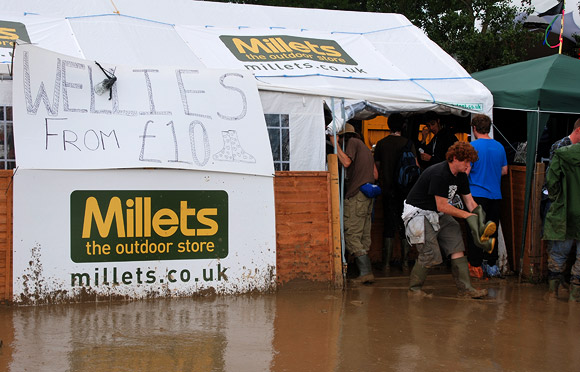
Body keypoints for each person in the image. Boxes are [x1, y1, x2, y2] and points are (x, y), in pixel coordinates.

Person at [402, 141, 494, 299]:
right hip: (419, 213)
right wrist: (467, 216)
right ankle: (414, 289)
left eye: (470, 161)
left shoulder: (461, 176)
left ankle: (466, 289)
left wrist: (481, 219)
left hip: (438, 213)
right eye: (465, 161)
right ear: (455, 158)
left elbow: (470, 203)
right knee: (430, 253)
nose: (468, 165)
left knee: (456, 242)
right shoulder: (440, 173)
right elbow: (442, 205)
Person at [331, 123, 378, 284]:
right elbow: (375, 174)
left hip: (356, 195)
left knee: (350, 234)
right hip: (367, 195)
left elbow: (346, 162)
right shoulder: (365, 147)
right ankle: (365, 271)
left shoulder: (351, 143)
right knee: (363, 235)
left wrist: (335, 144)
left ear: (343, 136)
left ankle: (365, 272)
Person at [466, 114, 508, 279]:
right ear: (489, 128)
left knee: (475, 231)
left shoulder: (472, 147)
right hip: (495, 195)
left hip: (476, 195)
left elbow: (467, 170)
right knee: (492, 231)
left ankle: (475, 266)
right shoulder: (499, 147)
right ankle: (491, 265)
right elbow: (504, 171)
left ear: (474, 129)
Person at [543, 118, 580, 301]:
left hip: (564, 209)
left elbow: (551, 181)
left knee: (558, 251)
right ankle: (575, 296)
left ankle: (552, 293)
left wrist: (559, 198)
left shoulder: (561, 152)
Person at [374, 113, 415, 274]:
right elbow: (415, 166)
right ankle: (405, 263)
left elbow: (376, 166)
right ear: (403, 126)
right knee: (405, 225)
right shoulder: (408, 143)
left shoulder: (381, 144)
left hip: (388, 189)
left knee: (388, 226)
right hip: (406, 191)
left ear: (389, 125)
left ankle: (386, 265)